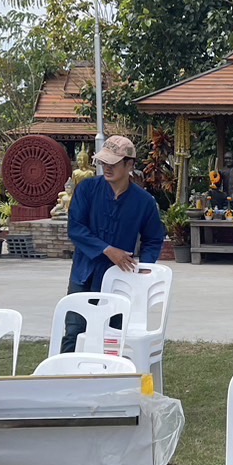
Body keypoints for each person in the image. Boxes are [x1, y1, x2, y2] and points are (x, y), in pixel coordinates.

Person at [63, 135, 164, 353]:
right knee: (74, 331)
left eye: (113, 163)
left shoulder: (144, 201)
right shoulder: (87, 189)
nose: (107, 168)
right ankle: (66, 371)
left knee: (114, 334)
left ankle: (111, 372)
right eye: (103, 162)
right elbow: (76, 228)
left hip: (121, 277)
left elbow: (154, 238)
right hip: (84, 272)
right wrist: (107, 250)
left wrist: (144, 267)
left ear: (129, 165)